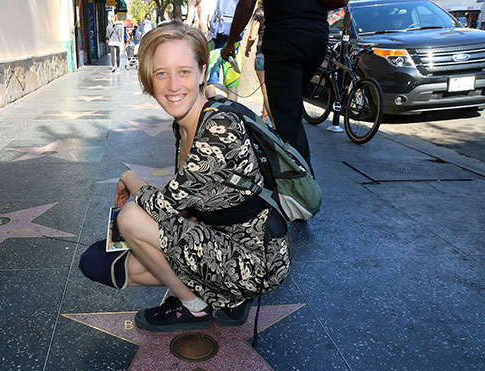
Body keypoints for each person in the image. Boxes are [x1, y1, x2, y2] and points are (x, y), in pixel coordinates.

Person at [104, 21, 290, 332]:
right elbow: (189, 203)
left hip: (257, 261)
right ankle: (222, 293)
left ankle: (196, 308)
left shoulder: (219, 128)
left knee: (131, 218)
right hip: (223, 241)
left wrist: (129, 177)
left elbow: (162, 205)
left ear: (203, 72)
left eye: (184, 71)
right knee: (132, 268)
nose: (173, 85)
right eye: (161, 73)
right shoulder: (185, 123)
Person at [220, 0, 329, 171]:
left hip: (285, 38)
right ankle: (294, 177)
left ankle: (301, 185)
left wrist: (230, 42)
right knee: (291, 110)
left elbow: (247, 5)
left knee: (288, 118)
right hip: (316, 37)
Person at [205, 0, 244, 101]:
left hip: (216, 38)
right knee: (232, 84)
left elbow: (203, 19)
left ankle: (214, 109)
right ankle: (231, 112)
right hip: (235, 38)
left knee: (209, 80)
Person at [244, 1, 274, 127]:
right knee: (269, 90)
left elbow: (252, 36)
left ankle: (275, 123)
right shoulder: (276, 11)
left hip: (262, 55)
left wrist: (247, 48)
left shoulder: (259, 12)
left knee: (266, 91)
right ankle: (264, 117)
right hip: (276, 55)